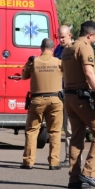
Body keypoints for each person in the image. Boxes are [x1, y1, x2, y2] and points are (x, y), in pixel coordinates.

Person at [62, 20, 95, 189]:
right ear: (90, 35)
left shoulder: (68, 49)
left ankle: (74, 179)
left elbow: (66, 75)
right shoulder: (85, 47)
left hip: (69, 98)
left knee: (76, 138)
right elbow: (89, 73)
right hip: (82, 98)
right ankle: (89, 173)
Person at [20, 38, 63, 170]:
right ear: (52, 48)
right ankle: (54, 163)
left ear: (41, 47)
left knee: (32, 131)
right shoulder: (59, 62)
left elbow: (24, 76)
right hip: (55, 100)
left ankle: (28, 162)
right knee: (55, 132)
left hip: (37, 101)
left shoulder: (34, 62)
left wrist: (28, 62)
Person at [53, 25, 73, 168]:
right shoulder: (57, 50)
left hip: (70, 92)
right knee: (56, 127)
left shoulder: (75, 49)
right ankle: (53, 158)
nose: (60, 39)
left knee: (69, 127)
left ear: (70, 35)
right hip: (58, 92)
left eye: (63, 37)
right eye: (59, 37)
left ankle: (70, 158)